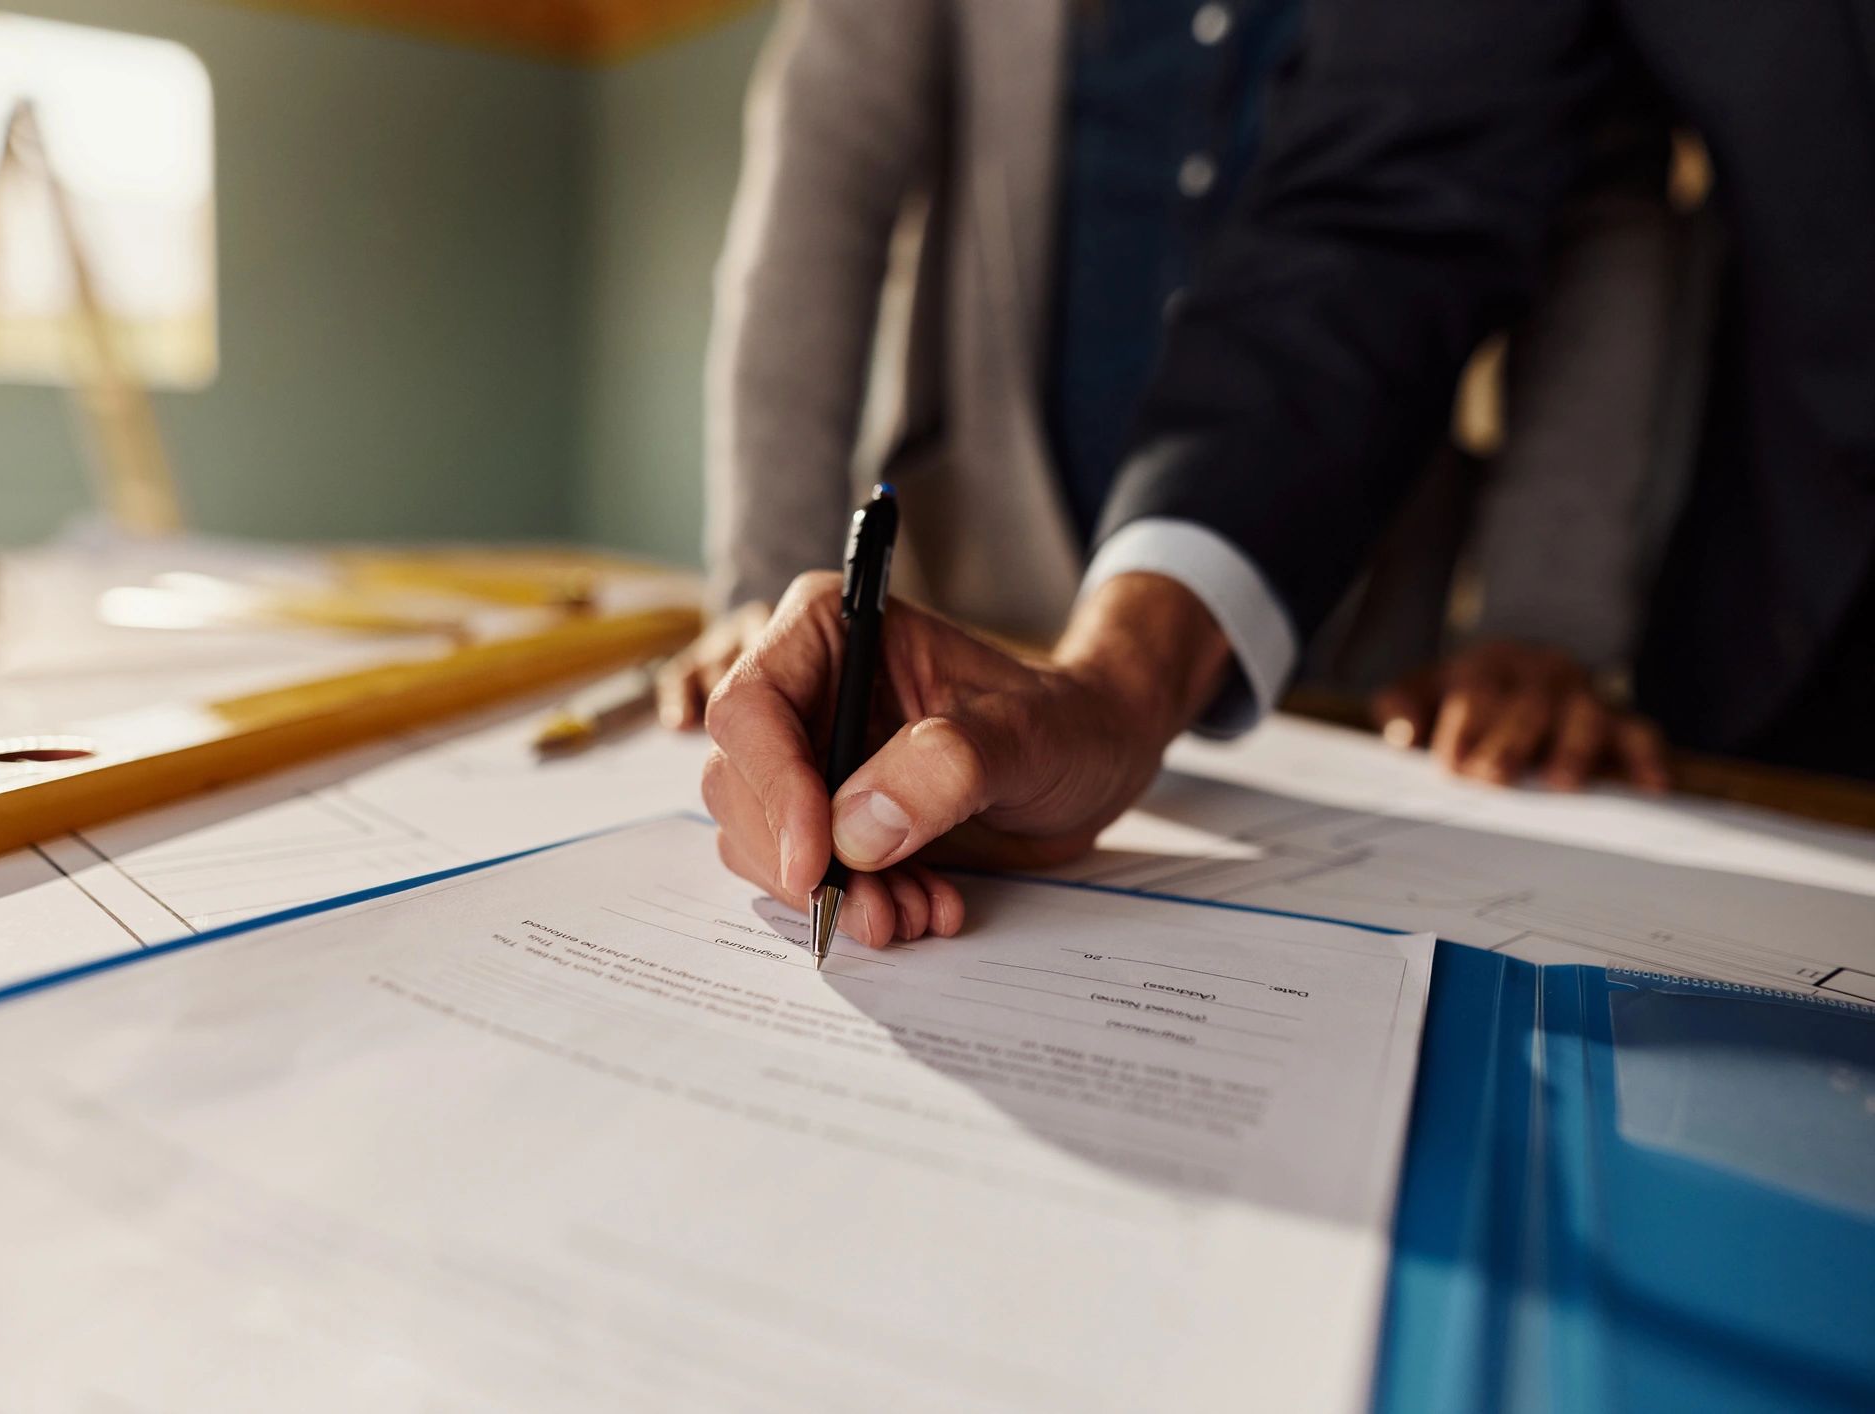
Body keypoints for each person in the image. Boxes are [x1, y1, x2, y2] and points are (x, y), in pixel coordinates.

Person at [701, 0, 1875, 948]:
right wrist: (1115, 680)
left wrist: (1540, 616)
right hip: (1018, 585)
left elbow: (1600, 204)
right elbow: (1388, 200)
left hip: (1377, 636)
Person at [666, 0, 1688, 793]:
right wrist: (770, 579)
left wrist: (1539, 617)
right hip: (980, 615)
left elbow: (1595, 200)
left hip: (1362, 668)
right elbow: (822, 175)